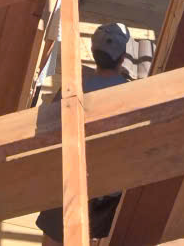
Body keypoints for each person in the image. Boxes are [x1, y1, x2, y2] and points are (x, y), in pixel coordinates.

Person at [34, 23, 130, 244]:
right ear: (122, 58)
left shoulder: (74, 84)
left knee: (53, 235)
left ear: (94, 53)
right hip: (103, 190)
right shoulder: (129, 91)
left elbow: (49, 127)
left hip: (66, 176)